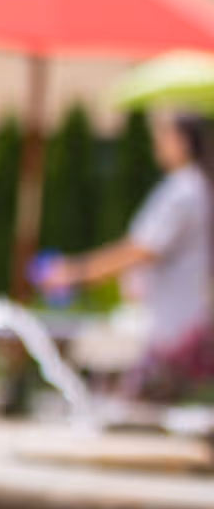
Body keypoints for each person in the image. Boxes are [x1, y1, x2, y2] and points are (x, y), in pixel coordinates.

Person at [39, 110, 214, 397]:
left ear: (183, 141)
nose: (157, 143)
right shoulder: (194, 187)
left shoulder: (184, 190)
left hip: (172, 328)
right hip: (178, 322)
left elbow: (139, 250)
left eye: (164, 136)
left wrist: (75, 272)